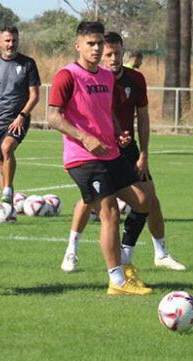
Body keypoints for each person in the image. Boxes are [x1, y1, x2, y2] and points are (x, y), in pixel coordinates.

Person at [60, 32, 185, 273]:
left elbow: (144, 117)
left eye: (117, 53)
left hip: (128, 149)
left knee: (150, 200)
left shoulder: (135, 79)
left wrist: (144, 153)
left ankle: (158, 253)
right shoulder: (92, 78)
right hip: (99, 150)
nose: (113, 57)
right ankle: (71, 251)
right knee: (90, 202)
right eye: (109, 53)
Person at [47, 21, 152, 296]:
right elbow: (53, 117)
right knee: (110, 213)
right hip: (82, 157)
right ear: (78, 45)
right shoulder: (66, 76)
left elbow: (108, 112)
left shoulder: (106, 76)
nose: (96, 49)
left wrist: (119, 132)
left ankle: (125, 263)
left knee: (143, 202)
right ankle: (117, 281)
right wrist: (84, 138)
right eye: (90, 44)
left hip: (111, 153)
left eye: (99, 44)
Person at [0, 25, 41, 204]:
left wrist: (22, 116)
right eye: (7, 40)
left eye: (14, 40)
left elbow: (35, 95)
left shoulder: (28, 64)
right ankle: (7, 205)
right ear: (0, 42)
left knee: (7, 148)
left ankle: (8, 190)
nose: (11, 44)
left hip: (18, 119)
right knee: (0, 165)